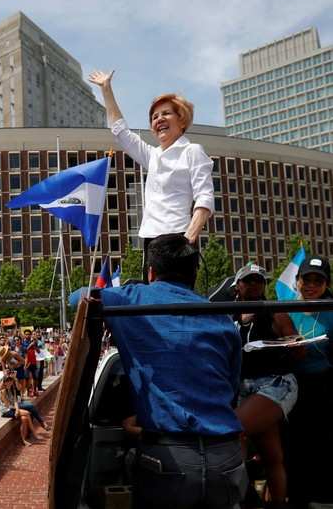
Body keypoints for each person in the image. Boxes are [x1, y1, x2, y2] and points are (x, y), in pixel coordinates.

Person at [100, 233, 246, 508]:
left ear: (151, 272)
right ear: (194, 274)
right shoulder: (223, 318)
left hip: (167, 458)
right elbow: (230, 387)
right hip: (226, 456)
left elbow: (78, 299)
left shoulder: (130, 300)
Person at [89, 70, 214, 279]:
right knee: (154, 303)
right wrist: (106, 89)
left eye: (166, 114)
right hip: (150, 240)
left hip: (177, 237)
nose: (159, 119)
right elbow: (120, 132)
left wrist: (188, 238)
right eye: (154, 117)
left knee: (175, 302)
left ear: (182, 121)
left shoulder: (192, 151)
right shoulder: (152, 155)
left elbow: (205, 197)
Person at [230, 263, 298, 508]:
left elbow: (297, 345)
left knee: (233, 429)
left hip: (275, 383)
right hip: (243, 387)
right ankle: (278, 503)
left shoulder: (274, 312)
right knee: (271, 456)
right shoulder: (229, 315)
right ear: (237, 285)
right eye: (249, 281)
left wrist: (294, 343)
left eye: (259, 281)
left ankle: (247, 500)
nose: (255, 285)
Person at [286, 255, 333, 508]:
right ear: (297, 281)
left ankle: (323, 494)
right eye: (307, 279)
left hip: (323, 386)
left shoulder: (331, 311)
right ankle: (298, 494)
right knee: (294, 443)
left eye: (318, 280)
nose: (311, 285)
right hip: (291, 385)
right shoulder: (283, 308)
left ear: (327, 284)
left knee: (322, 441)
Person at [0, 376, 48, 446]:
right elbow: (7, 405)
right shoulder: (2, 392)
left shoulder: (13, 389)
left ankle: (24, 440)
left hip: (13, 409)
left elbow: (15, 401)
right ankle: (34, 433)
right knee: (27, 413)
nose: (9, 383)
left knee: (24, 419)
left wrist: (17, 410)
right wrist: (16, 410)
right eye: (7, 381)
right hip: (6, 411)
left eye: (10, 381)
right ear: (4, 383)